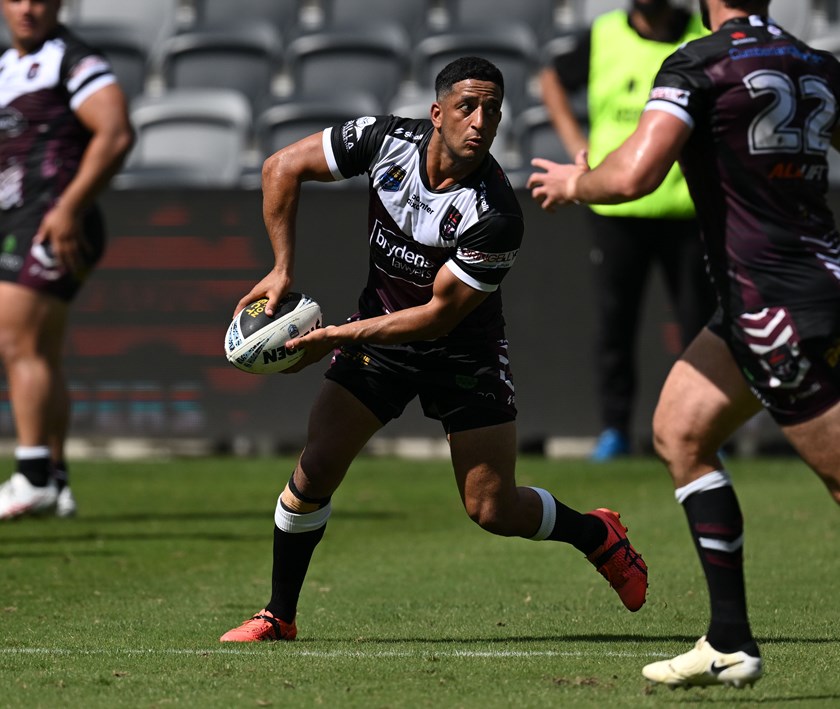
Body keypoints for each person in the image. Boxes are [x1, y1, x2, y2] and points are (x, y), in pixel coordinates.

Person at [219, 56, 648, 643]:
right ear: (437, 112)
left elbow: (437, 318)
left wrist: (332, 337)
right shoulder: (383, 140)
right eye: (468, 107)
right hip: (379, 340)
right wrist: (280, 268)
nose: (480, 121)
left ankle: (596, 535)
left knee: (491, 510)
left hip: (461, 353)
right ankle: (279, 616)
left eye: (492, 110)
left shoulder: (496, 214)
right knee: (314, 469)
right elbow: (280, 167)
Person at [528, 0, 840, 690]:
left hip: (772, 304)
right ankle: (728, 639)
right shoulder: (814, 61)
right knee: (679, 428)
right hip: (794, 289)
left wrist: (575, 181)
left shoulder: (701, 64)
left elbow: (636, 175)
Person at [539, 0, 716, 461]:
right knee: (615, 325)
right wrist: (578, 144)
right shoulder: (603, 34)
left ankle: (704, 431)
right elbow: (552, 78)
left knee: (701, 328)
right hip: (614, 211)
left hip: (685, 208)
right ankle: (615, 430)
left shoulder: (702, 34)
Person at [0, 0, 134, 519]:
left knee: (16, 343)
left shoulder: (71, 59)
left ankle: (31, 476)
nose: (27, 8)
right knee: (40, 354)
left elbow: (117, 132)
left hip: (53, 221)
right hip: (23, 218)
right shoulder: (9, 64)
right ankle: (54, 482)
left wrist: (68, 208)